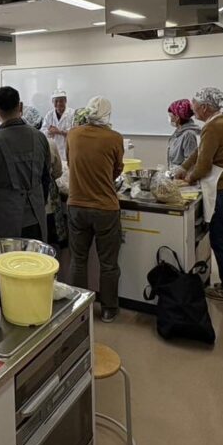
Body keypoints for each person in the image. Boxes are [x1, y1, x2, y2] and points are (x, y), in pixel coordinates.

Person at [176, 87, 223, 304]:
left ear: (205, 107)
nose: (193, 110)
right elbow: (199, 152)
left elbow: (203, 165)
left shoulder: (213, 127)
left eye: (195, 106)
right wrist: (183, 167)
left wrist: (187, 179)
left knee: (221, 241)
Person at [66, 97, 124, 322]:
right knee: (108, 263)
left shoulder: (73, 134)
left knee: (78, 260)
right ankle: (109, 309)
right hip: (105, 208)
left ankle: (79, 308)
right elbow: (117, 169)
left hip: (76, 206)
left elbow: (70, 163)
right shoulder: (114, 138)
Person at [0, 87, 51, 240]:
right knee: (35, 255)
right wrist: (40, 203)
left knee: (6, 255)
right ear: (20, 106)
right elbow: (46, 177)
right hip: (36, 218)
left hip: (6, 219)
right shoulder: (40, 137)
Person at [23, 105, 66, 246]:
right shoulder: (49, 143)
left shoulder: (16, 143)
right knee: (47, 239)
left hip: (23, 204)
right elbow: (58, 172)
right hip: (46, 199)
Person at [166, 99, 201, 170]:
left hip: (181, 175)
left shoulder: (189, 135)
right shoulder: (179, 131)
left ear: (177, 118)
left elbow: (190, 163)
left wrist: (177, 172)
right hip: (174, 172)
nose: (169, 118)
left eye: (170, 116)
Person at [42, 90, 75, 160]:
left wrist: (59, 132)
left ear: (65, 101)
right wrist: (49, 132)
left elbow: (75, 132)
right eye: (56, 101)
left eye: (61, 101)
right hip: (53, 149)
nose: (58, 103)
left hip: (69, 149)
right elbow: (42, 131)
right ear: (52, 102)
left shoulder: (73, 113)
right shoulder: (49, 115)